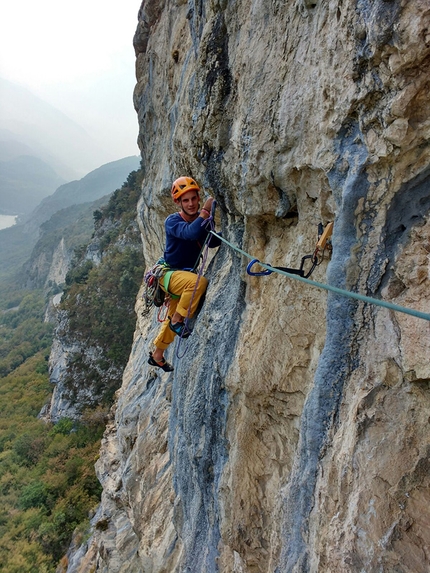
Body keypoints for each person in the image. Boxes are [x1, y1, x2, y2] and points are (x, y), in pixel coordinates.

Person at [148, 176, 221, 371]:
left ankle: (158, 355)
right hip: (169, 274)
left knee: (172, 316)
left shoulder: (200, 223)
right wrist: (205, 211)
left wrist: (217, 229)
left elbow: (212, 242)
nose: (190, 204)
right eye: (185, 200)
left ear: (198, 198)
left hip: (180, 276)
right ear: (178, 202)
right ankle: (178, 320)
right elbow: (189, 233)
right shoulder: (172, 221)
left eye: (193, 199)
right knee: (198, 283)